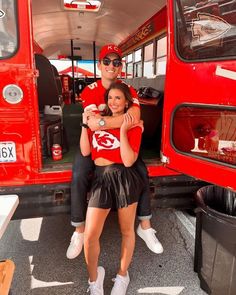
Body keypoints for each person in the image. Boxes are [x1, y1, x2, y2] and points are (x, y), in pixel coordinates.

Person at [66, 44, 163, 260]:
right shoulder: (89, 90)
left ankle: (145, 226)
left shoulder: (129, 89)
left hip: (120, 145)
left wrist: (102, 121)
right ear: (100, 65)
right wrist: (115, 122)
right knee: (79, 174)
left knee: (141, 170)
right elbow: (91, 124)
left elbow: (135, 116)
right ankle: (79, 230)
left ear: (121, 67)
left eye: (116, 62)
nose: (112, 66)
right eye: (107, 61)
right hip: (93, 144)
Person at [82, 82, 144, 294]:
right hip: (100, 179)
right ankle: (94, 279)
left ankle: (122, 275)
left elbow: (128, 161)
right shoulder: (100, 124)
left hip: (124, 177)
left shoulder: (134, 126)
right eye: (110, 98)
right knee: (90, 236)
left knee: (126, 230)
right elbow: (85, 152)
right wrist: (85, 125)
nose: (113, 102)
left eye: (118, 98)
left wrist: (125, 130)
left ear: (127, 102)